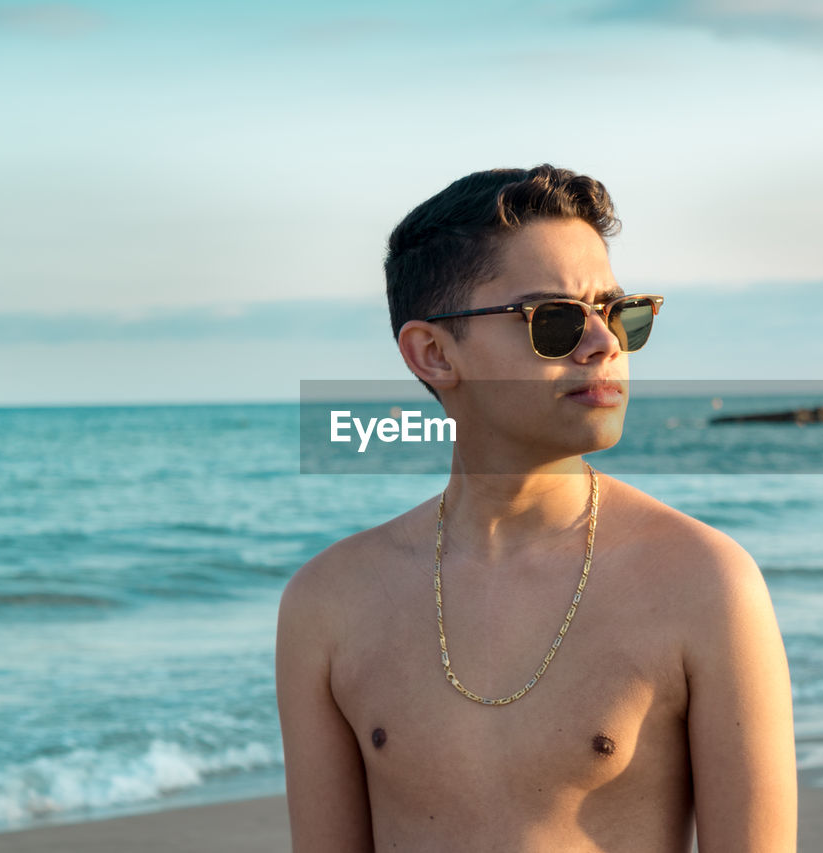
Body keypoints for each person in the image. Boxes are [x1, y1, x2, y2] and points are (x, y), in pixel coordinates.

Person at [276, 164, 796, 852]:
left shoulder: (704, 583)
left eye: (617, 312)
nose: (604, 343)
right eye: (553, 320)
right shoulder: (330, 603)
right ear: (432, 353)